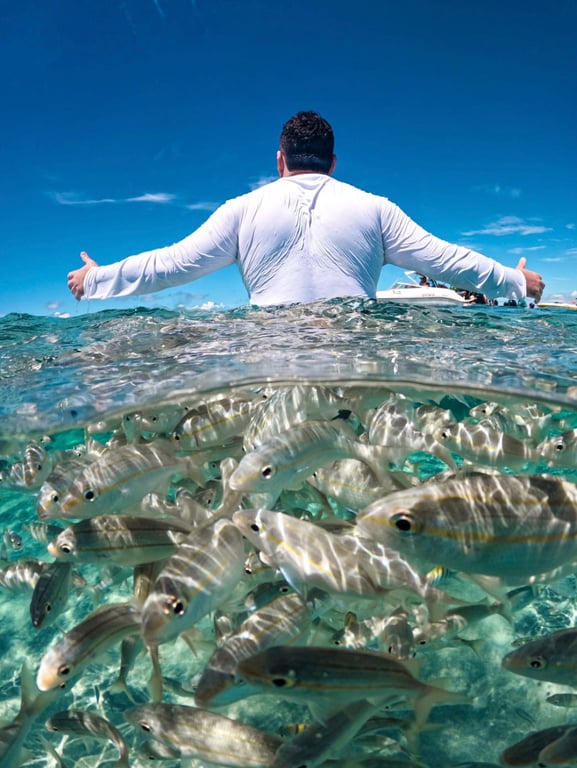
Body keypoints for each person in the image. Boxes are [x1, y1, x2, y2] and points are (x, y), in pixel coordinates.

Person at [67, 111, 545, 306]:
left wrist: (96, 279)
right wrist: (516, 280)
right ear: (333, 163)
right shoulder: (375, 209)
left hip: (271, 355)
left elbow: (171, 265)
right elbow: (448, 261)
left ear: (280, 161)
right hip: (353, 356)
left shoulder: (242, 209)